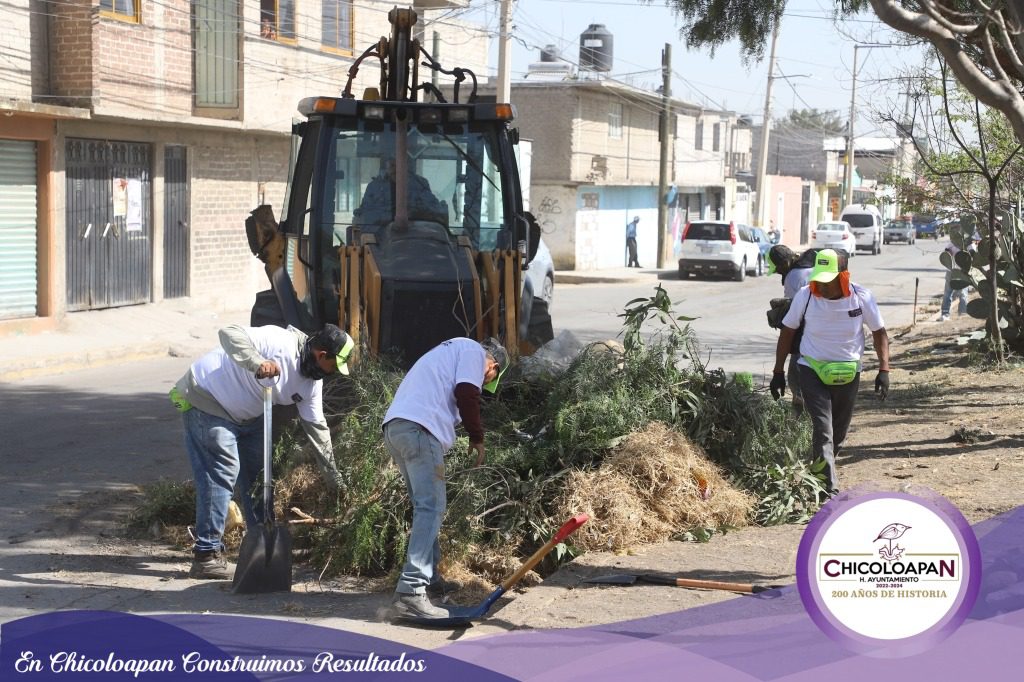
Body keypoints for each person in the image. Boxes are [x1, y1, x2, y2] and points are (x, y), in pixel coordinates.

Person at [170, 324, 354, 579]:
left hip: (251, 416)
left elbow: (318, 432)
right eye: (333, 366)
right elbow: (228, 333)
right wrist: (257, 362)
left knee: (260, 478)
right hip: (208, 400)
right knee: (223, 471)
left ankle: (257, 544)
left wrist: (336, 482)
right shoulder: (279, 342)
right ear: (322, 355)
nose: (332, 373)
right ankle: (207, 554)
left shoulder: (311, 384)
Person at [381, 337, 509, 620]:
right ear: (494, 366)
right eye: (489, 378)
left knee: (424, 505)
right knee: (433, 507)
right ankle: (411, 592)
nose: (484, 382)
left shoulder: (447, 351)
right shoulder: (474, 353)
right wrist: (477, 437)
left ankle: (430, 579)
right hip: (420, 431)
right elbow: (466, 392)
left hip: (397, 428)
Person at [769, 249, 890, 494]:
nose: (821, 285)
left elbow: (879, 333)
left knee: (838, 433)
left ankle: (818, 472)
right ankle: (827, 490)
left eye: (827, 280)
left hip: (848, 373)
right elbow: (787, 332)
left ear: (843, 276)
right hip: (812, 369)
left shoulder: (861, 297)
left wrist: (884, 369)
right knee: (823, 429)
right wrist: (778, 372)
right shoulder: (806, 296)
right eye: (818, 278)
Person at [766, 244, 816, 413]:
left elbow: (792, 318)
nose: (779, 273)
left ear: (783, 264)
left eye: (778, 269)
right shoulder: (810, 267)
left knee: (796, 375)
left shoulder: (793, 276)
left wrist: (777, 370)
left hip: (806, 333)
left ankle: (802, 416)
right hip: (826, 328)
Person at [353, 157, 446, 228]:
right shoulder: (374, 187)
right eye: (392, 165)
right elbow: (366, 213)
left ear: (406, 166)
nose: (396, 169)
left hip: (417, 233)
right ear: (386, 167)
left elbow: (433, 210)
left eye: (400, 165)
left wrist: (416, 213)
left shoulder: (420, 184)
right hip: (379, 234)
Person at [940, 234, 978, 321]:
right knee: (947, 293)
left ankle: (963, 314)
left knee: (963, 294)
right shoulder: (953, 243)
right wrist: (948, 254)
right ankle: (945, 314)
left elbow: (973, 255)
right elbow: (946, 252)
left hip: (963, 272)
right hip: (951, 271)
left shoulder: (969, 244)